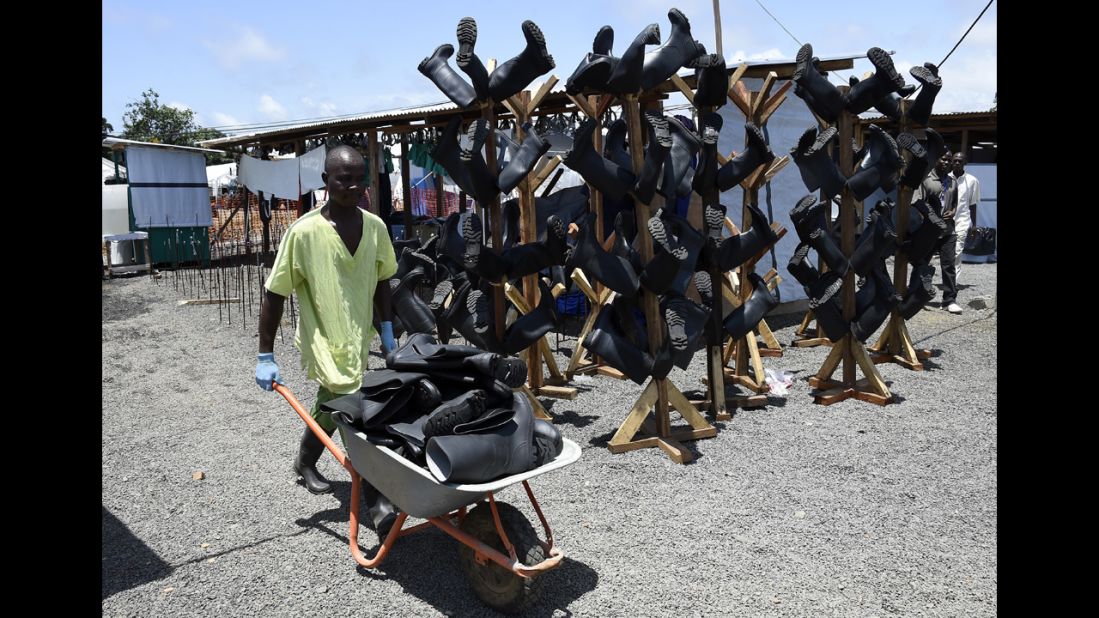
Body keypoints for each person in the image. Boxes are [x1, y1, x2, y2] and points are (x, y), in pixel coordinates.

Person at [254, 145, 398, 508]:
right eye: (342, 179)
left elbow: (383, 280)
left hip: (355, 335)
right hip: (322, 336)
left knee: (331, 400)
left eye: (357, 180)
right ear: (326, 181)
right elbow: (275, 293)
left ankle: (304, 462)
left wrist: (386, 329)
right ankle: (375, 495)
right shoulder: (303, 234)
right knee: (350, 401)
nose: (350, 187)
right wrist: (264, 354)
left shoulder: (376, 227)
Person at [913, 149, 960, 313]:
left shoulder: (952, 182)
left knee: (948, 265)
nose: (946, 163)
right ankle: (917, 297)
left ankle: (949, 300)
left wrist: (953, 211)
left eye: (949, 160)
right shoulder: (926, 180)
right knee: (922, 264)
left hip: (948, 231)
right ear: (936, 160)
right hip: (929, 231)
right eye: (943, 159)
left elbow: (954, 203)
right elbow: (918, 202)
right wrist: (930, 217)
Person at [951, 152, 981, 288]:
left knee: (957, 252)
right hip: (944, 222)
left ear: (965, 163)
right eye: (955, 160)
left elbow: (973, 204)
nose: (957, 163)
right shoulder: (944, 178)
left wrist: (974, 224)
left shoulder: (972, 181)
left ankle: (953, 282)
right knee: (947, 253)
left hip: (962, 221)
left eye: (960, 161)